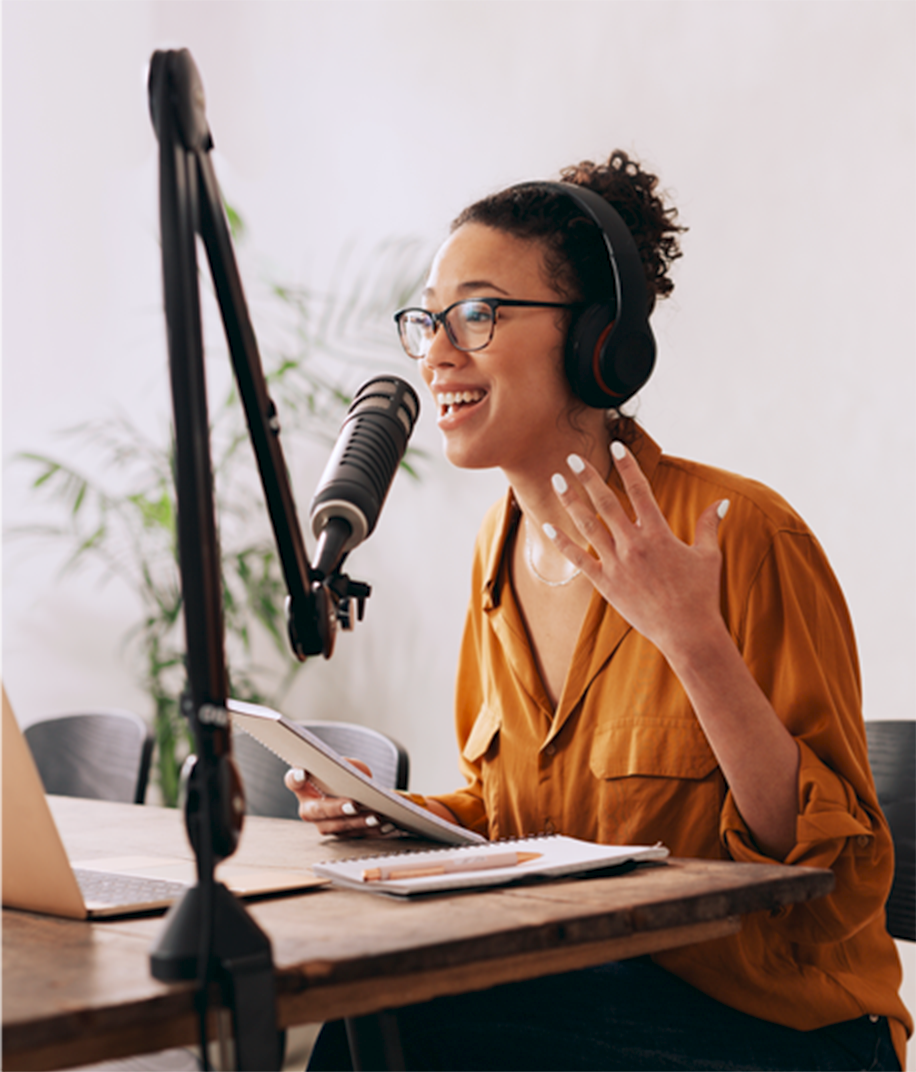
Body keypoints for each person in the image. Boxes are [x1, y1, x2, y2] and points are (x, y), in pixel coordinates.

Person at [287, 150, 911, 1071]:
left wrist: (693, 641)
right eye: (429, 318)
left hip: (775, 1025)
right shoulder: (496, 555)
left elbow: (838, 880)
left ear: (599, 343)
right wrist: (392, 817)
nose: (436, 353)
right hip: (591, 985)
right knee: (377, 1014)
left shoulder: (739, 533)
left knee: (413, 1030)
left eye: (479, 313)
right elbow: (518, 817)